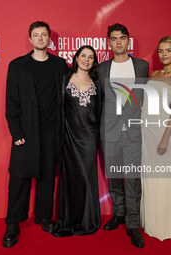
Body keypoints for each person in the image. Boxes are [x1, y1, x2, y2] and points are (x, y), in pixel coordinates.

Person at [2, 21, 69, 248]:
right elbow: (11, 103)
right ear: (30, 39)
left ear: (50, 39)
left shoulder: (60, 65)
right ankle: (13, 223)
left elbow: (71, 93)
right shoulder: (17, 66)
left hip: (52, 132)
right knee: (19, 179)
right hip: (26, 133)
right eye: (36, 35)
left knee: (47, 176)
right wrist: (16, 132)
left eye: (44, 35)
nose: (40, 38)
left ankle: (43, 215)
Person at [98, 23, 149, 248]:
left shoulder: (142, 66)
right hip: (109, 131)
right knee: (114, 176)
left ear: (129, 41)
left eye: (122, 38)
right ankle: (118, 212)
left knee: (132, 178)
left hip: (134, 132)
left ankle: (133, 223)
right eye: (114, 39)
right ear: (109, 42)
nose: (118, 42)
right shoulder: (101, 69)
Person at [140, 36, 171, 241]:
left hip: (164, 135)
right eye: (161, 51)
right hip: (146, 133)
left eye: (168, 50)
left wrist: (165, 138)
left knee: (163, 180)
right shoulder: (154, 74)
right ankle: (151, 219)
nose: (164, 54)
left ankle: (164, 223)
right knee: (150, 180)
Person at [52, 45, 102, 237]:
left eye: (90, 57)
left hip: (89, 137)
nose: (86, 60)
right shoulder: (64, 79)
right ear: (76, 58)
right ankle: (69, 219)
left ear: (93, 61)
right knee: (70, 178)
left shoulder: (97, 82)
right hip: (69, 137)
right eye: (83, 56)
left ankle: (87, 220)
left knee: (86, 178)